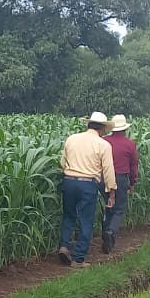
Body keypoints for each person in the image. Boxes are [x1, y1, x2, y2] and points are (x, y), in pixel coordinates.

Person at [57, 112, 116, 268]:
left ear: (88, 124)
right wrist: (111, 191)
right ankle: (78, 259)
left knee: (69, 215)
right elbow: (108, 170)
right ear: (102, 129)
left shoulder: (72, 139)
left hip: (69, 180)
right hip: (87, 184)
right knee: (86, 220)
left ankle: (64, 246)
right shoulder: (103, 145)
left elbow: (63, 162)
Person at [99, 114, 139, 254]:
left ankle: (105, 236)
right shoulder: (130, 144)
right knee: (119, 209)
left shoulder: (104, 141)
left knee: (107, 206)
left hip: (103, 177)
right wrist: (132, 182)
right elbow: (134, 166)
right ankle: (110, 232)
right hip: (121, 178)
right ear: (125, 129)